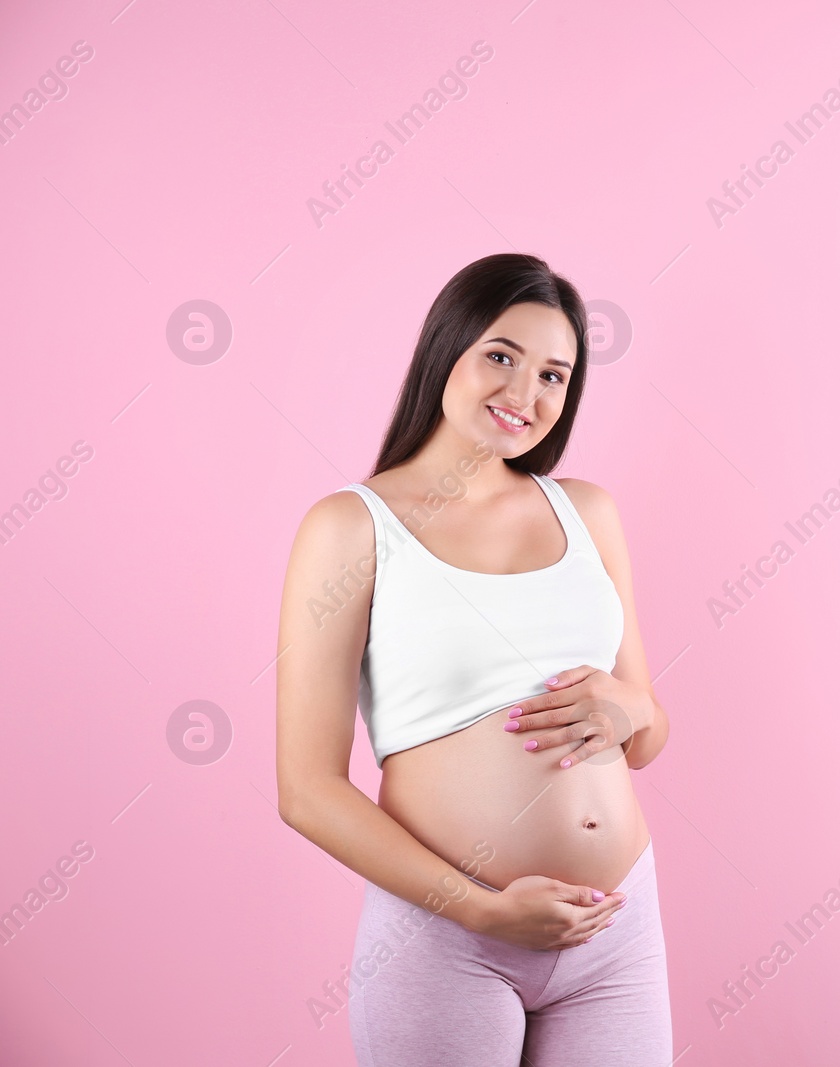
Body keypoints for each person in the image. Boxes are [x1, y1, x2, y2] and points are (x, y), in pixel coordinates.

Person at [274, 252, 673, 1064]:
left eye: (554, 375)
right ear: (445, 346)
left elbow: (648, 728)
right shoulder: (351, 528)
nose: (525, 395)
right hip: (449, 937)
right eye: (502, 356)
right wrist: (482, 909)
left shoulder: (588, 512)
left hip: (616, 929)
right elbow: (306, 790)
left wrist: (629, 707)